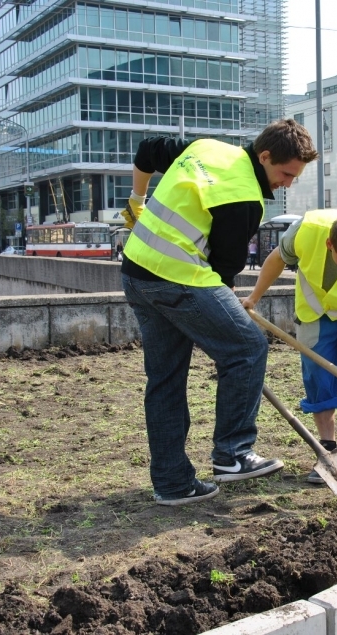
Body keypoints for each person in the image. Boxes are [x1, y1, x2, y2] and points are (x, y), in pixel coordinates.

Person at [121, 119, 318, 506]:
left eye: (295, 177)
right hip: (177, 278)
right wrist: (228, 312)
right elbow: (223, 274)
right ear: (265, 156)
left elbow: (147, 149)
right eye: (286, 174)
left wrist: (137, 200)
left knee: (165, 380)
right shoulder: (244, 199)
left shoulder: (206, 148)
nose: (288, 184)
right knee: (247, 348)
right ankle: (233, 454)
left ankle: (172, 484)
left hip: (137, 273)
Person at [242, 210, 337, 484]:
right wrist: (254, 298)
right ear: (329, 245)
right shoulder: (305, 232)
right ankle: (328, 450)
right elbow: (276, 260)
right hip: (316, 311)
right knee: (318, 378)